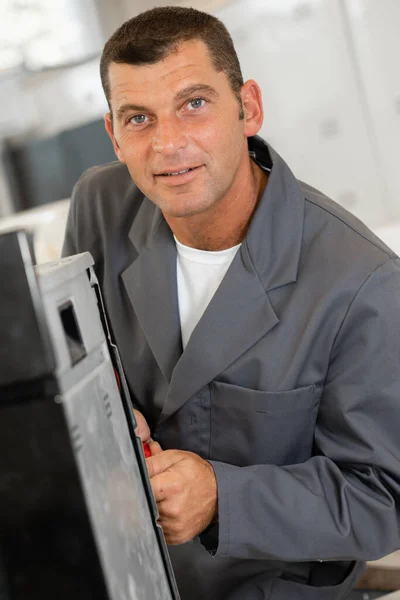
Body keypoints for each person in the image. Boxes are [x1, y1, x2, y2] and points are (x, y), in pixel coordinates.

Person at [62, 6, 400, 599]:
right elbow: (81, 360)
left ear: (248, 108)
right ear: (114, 136)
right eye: (139, 118)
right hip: (126, 570)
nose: (169, 143)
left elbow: (383, 498)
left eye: (194, 104)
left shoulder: (363, 282)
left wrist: (221, 496)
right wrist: (112, 415)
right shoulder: (101, 205)